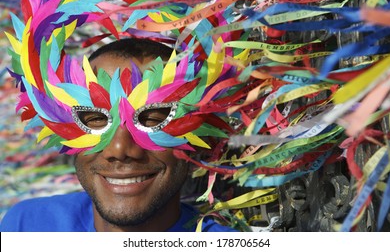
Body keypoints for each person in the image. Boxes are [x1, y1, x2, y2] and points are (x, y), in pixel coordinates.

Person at [0, 38, 237, 232]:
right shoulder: (27, 225)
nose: (119, 150)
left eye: (153, 119)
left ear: (201, 142)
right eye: (95, 119)